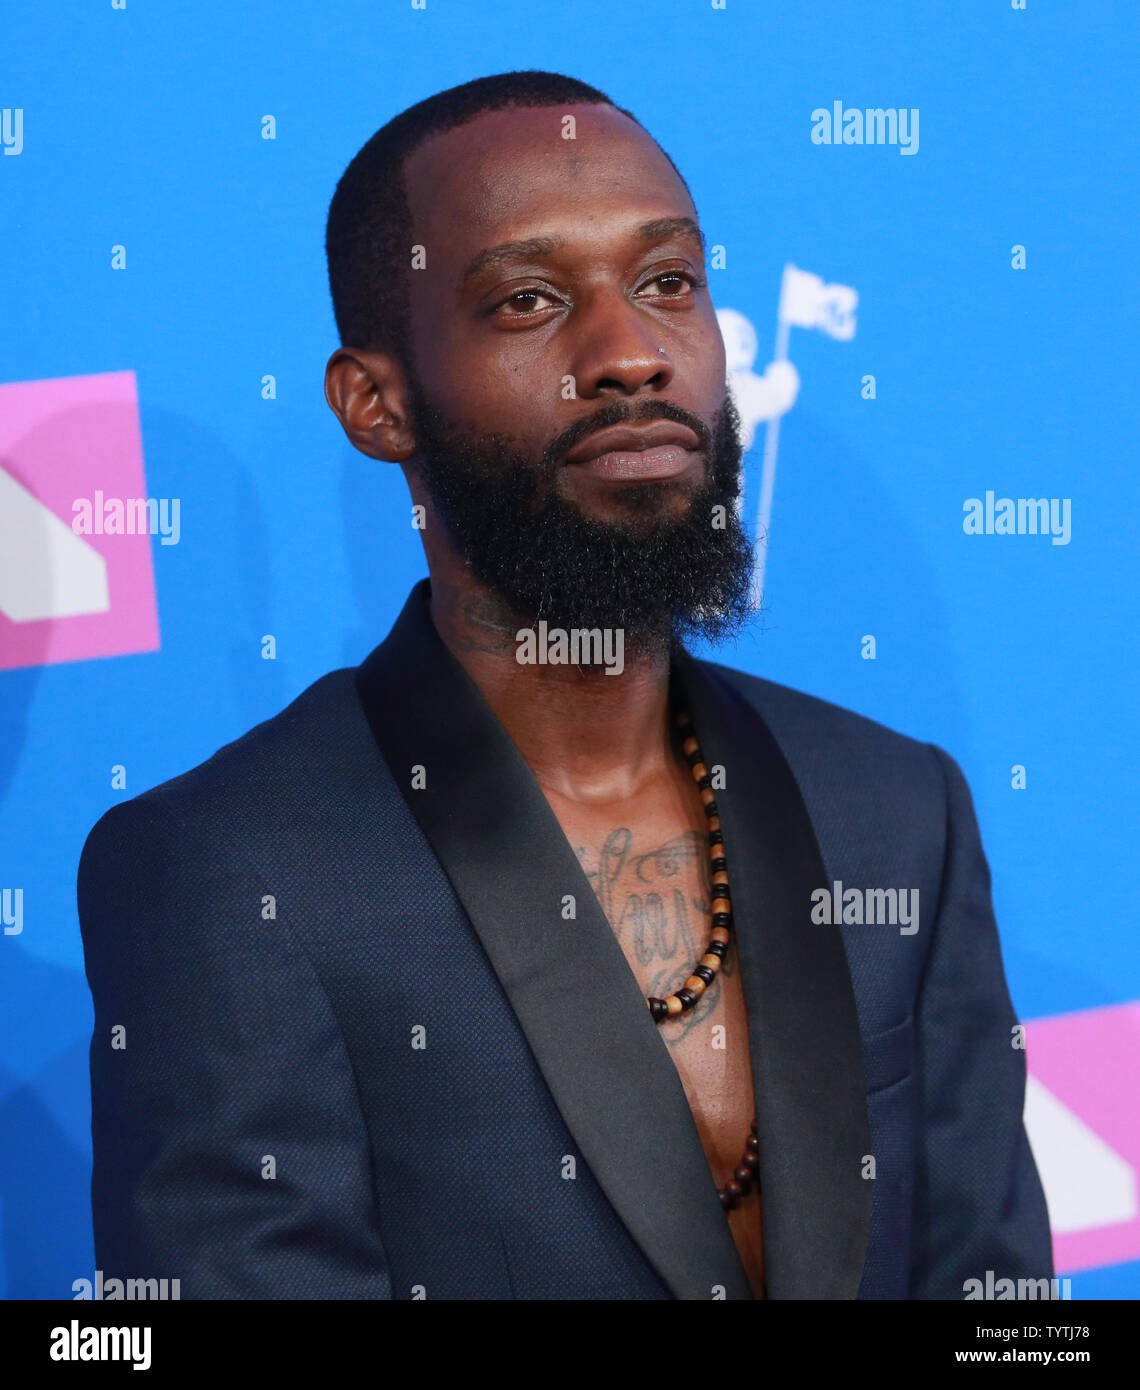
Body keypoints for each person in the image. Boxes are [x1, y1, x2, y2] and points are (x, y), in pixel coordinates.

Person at [78, 69, 1052, 1300]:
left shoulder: (900, 809)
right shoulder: (231, 871)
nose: (631, 354)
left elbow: (997, 1301)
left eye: (668, 283)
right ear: (376, 404)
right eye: (529, 300)